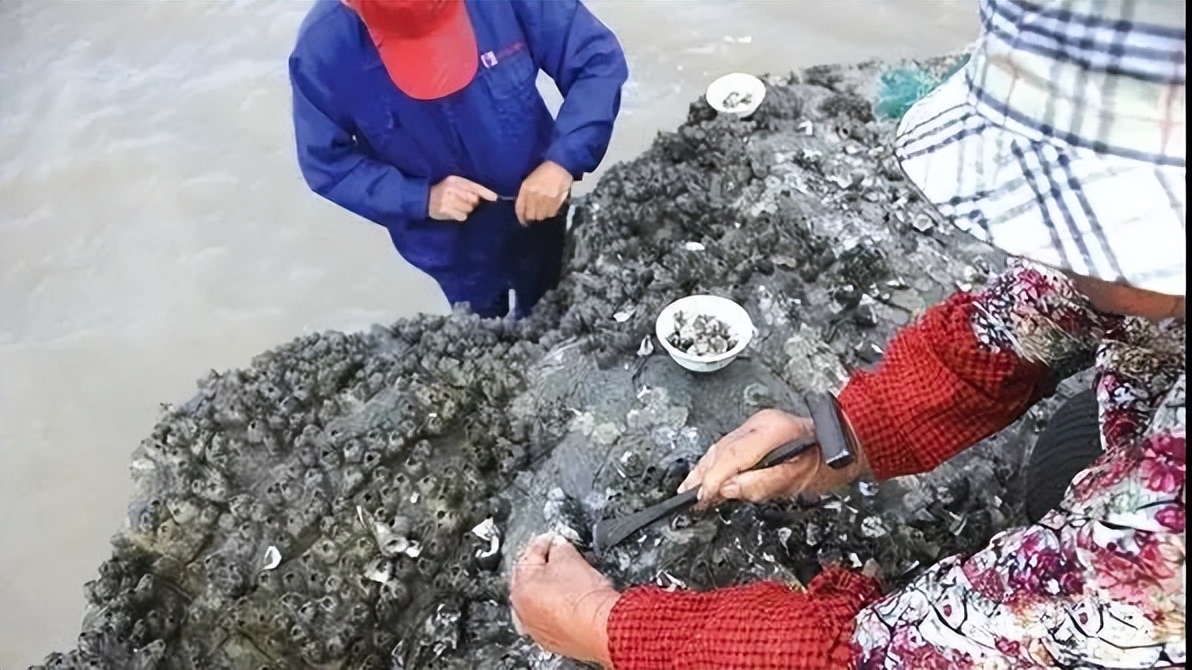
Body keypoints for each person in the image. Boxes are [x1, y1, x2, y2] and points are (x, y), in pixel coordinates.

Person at [509, 0, 1186, 667]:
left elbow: (890, 657)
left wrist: (610, 626)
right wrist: (849, 429)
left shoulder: (1167, 528)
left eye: (1069, 212)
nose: (1039, 240)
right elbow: (1041, 312)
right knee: (1066, 457)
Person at [289, 0, 628, 318]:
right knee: (481, 329)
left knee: (550, 307)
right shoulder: (322, 50)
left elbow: (596, 60)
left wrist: (562, 161)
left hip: (539, 202)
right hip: (447, 241)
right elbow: (326, 163)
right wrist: (420, 198)